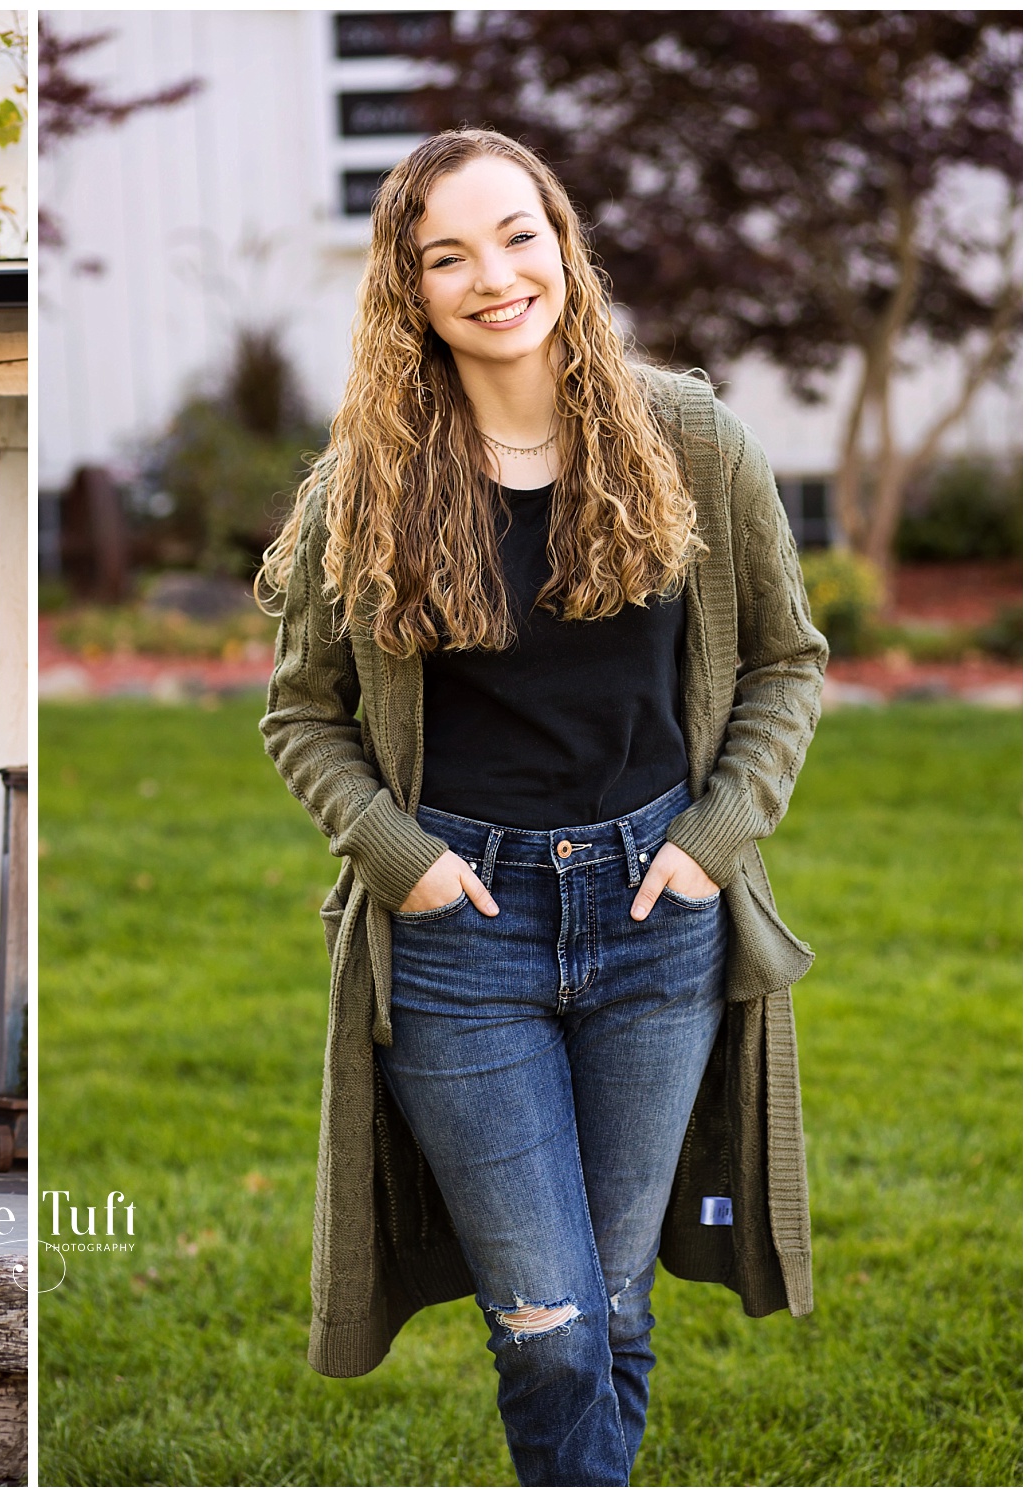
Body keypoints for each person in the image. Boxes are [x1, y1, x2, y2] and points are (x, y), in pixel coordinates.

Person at [259, 130, 826, 1485]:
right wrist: (403, 863)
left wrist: (711, 844)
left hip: (656, 916)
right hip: (466, 936)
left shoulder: (691, 438)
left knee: (615, 1300)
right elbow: (303, 714)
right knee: (554, 1324)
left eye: (518, 235)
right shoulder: (370, 483)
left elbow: (786, 663)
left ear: (563, 243)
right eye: (446, 255)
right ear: (410, 289)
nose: (494, 275)